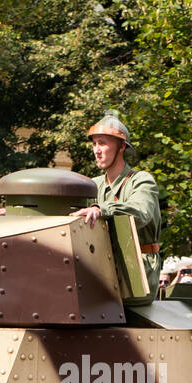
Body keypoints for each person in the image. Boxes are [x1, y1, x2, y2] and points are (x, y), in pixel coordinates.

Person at [69, 111, 162, 285]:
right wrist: (21, 212)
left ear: (121, 147)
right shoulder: (92, 185)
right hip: (101, 271)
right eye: (94, 143)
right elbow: (66, 211)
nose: (96, 150)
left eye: (102, 143)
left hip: (137, 274)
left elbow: (141, 213)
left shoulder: (141, 181)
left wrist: (101, 209)